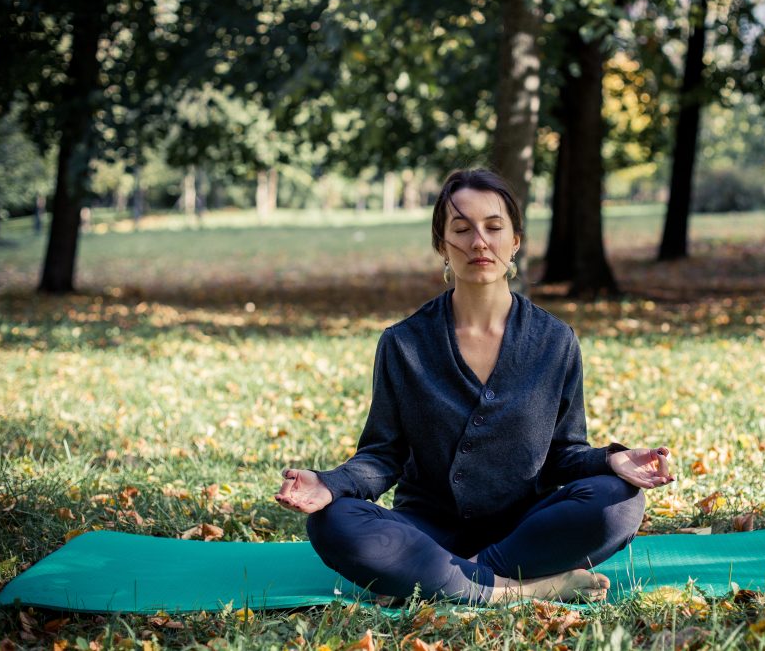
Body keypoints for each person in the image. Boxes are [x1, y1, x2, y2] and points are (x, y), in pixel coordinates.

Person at [276, 168, 675, 605]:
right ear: (442, 246)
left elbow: (562, 454)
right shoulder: (404, 343)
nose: (478, 242)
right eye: (461, 229)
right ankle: (514, 590)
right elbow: (383, 455)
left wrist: (611, 461)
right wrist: (330, 484)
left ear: (515, 241)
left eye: (493, 227)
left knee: (621, 502)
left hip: (525, 531)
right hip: (427, 529)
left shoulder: (555, 341)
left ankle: (439, 581)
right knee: (333, 522)